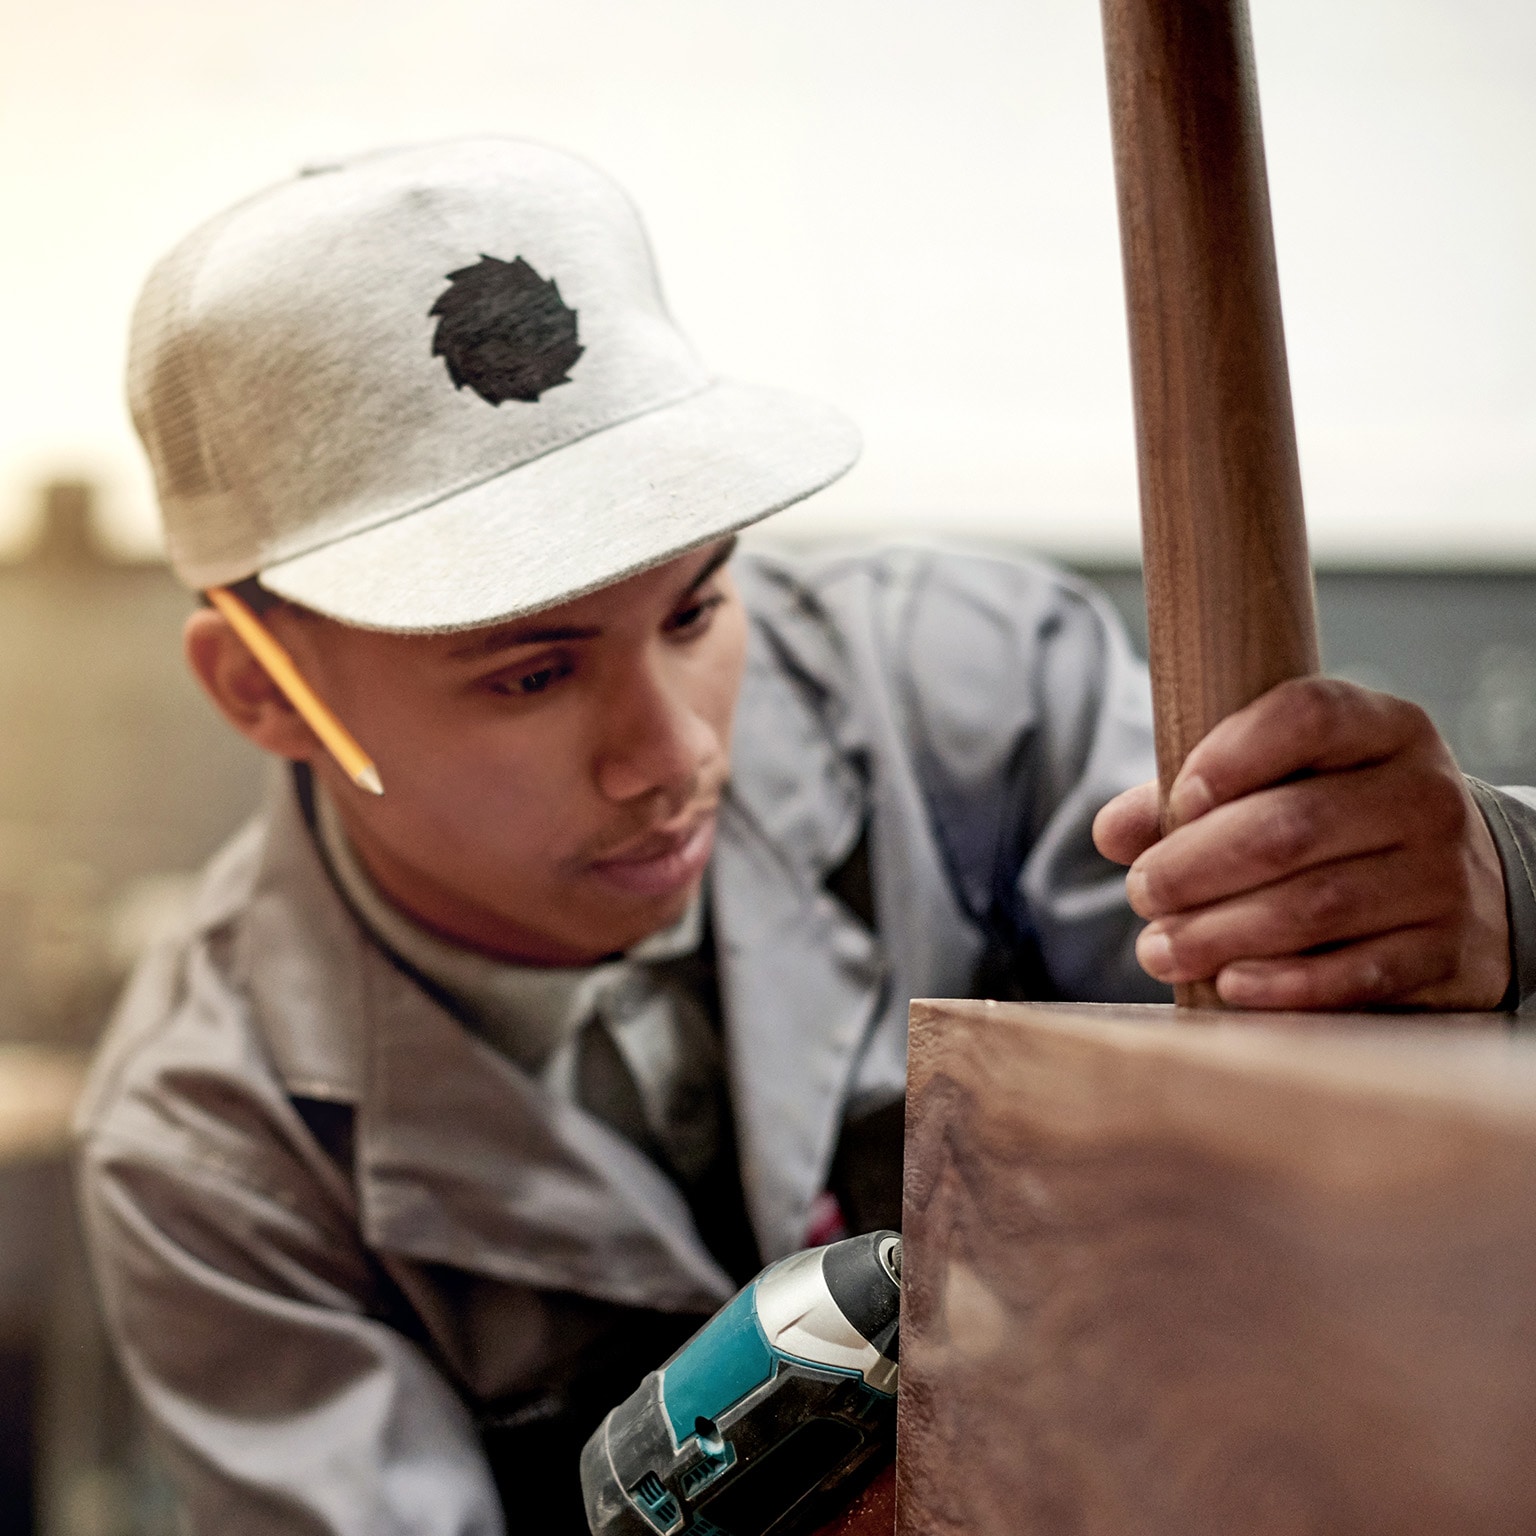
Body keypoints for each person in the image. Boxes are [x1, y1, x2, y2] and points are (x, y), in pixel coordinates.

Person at [75, 138, 1535, 1535]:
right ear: (262, 689)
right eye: (529, 672)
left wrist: (1486, 894)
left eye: (697, 608)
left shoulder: (979, 692)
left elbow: (1356, 1124)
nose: (674, 753)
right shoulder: (210, 1148)